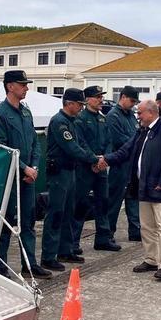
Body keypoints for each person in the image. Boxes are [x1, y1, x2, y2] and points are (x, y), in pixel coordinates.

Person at [103, 100, 161, 281]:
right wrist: (106, 159)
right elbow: (126, 150)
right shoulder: (142, 131)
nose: (138, 116)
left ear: (151, 113)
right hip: (143, 187)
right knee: (147, 227)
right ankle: (151, 259)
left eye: (140, 113)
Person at [0, 70, 52, 279]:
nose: (26, 88)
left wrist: (34, 167)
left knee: (28, 222)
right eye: (22, 84)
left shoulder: (25, 112)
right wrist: (24, 168)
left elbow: (35, 143)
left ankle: (30, 264)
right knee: (6, 223)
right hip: (9, 179)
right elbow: (2, 148)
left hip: (28, 178)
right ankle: (0, 268)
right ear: (10, 86)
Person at [40, 88, 99, 271]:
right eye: (79, 104)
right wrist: (94, 159)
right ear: (69, 103)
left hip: (70, 171)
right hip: (59, 173)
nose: (81, 107)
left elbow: (80, 144)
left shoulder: (71, 122)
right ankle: (48, 256)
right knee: (56, 213)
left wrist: (93, 157)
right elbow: (72, 148)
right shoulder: (59, 122)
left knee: (68, 212)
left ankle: (65, 250)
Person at [71, 86, 120, 253]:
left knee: (103, 202)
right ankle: (73, 242)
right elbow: (80, 143)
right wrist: (93, 159)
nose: (101, 100)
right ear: (88, 99)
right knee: (80, 204)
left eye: (101, 97)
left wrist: (104, 158)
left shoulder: (102, 119)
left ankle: (103, 239)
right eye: (97, 97)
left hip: (101, 167)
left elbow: (109, 141)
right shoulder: (80, 119)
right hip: (85, 168)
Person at [105, 85, 142, 242]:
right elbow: (119, 140)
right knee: (114, 200)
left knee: (133, 198)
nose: (133, 104)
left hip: (132, 163)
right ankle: (108, 233)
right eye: (131, 101)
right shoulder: (113, 116)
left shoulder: (131, 116)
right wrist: (136, 143)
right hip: (119, 163)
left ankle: (135, 230)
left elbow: (138, 133)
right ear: (123, 97)